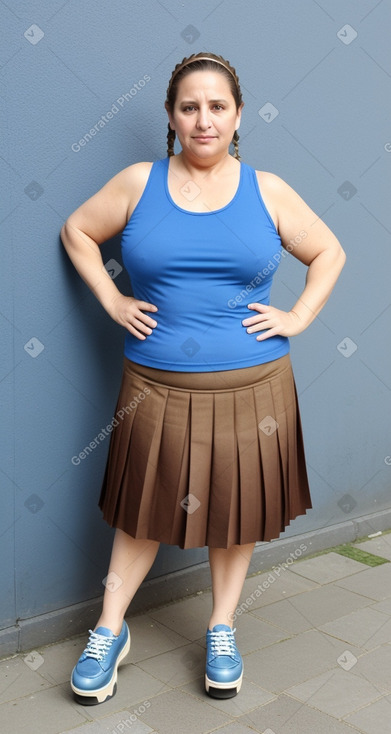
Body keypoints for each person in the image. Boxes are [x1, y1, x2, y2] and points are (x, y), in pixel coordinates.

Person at [60, 51, 346, 705]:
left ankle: (221, 628)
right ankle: (109, 630)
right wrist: (111, 300)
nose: (203, 119)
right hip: (154, 387)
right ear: (170, 116)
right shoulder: (137, 182)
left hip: (254, 387)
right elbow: (77, 230)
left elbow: (328, 250)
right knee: (140, 515)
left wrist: (298, 313)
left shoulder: (267, 189)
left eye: (216, 106)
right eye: (189, 106)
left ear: (237, 114)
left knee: (235, 510)